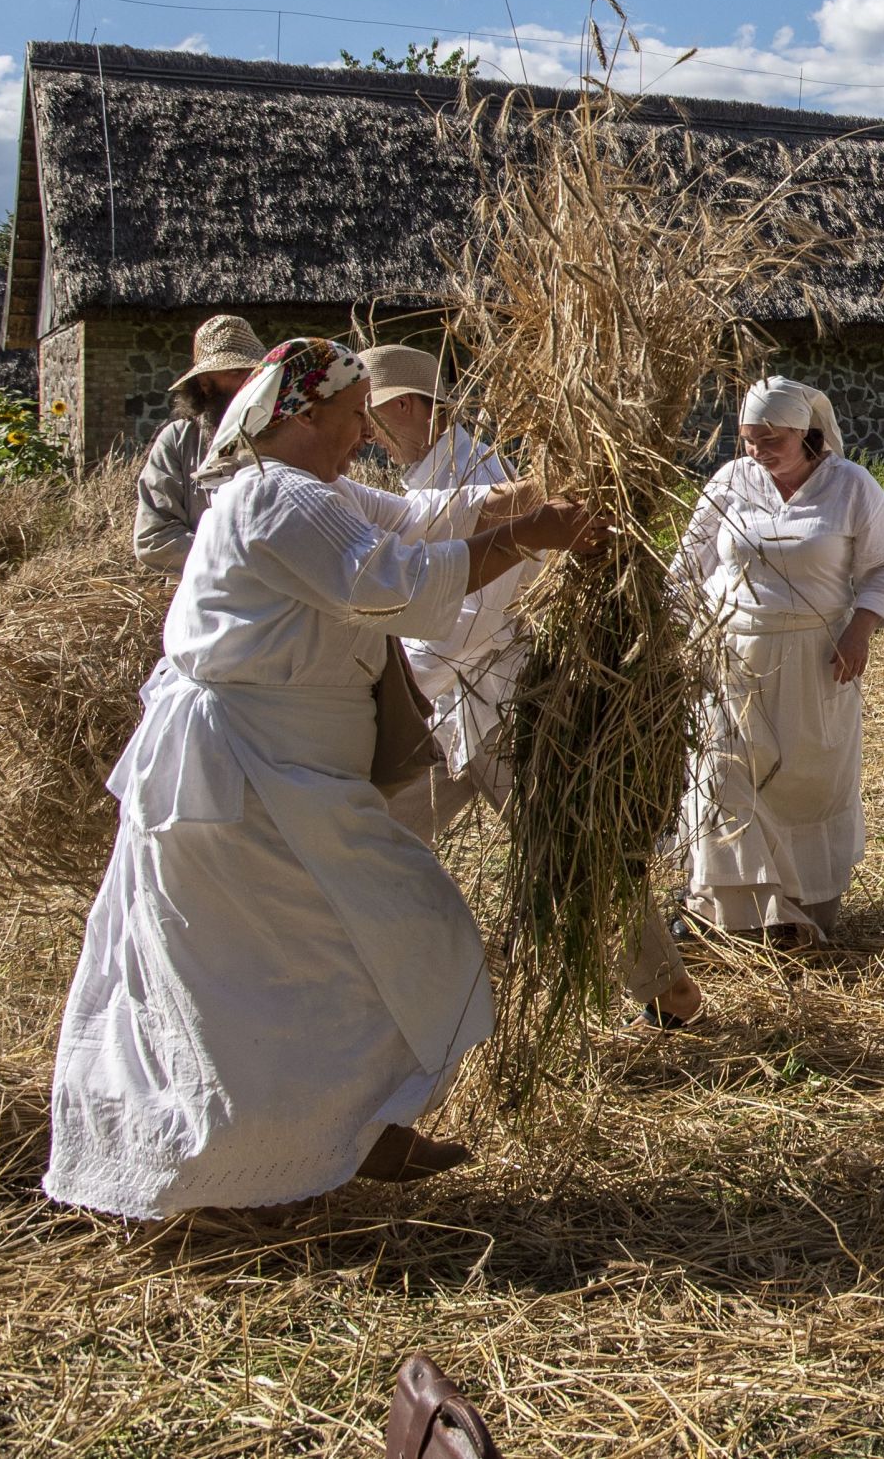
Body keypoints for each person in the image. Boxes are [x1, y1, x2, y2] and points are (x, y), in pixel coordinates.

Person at [44, 339, 604, 1217]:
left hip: (294, 779)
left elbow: (419, 518)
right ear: (300, 417)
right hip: (241, 783)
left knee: (343, 951)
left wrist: (532, 494)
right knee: (265, 973)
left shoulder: (321, 492)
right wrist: (525, 537)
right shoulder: (273, 496)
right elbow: (391, 581)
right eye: (350, 420)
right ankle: (249, 1158)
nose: (363, 437)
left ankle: (354, 1132)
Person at [358, 345, 702, 1027]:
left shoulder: (476, 470)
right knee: (372, 837)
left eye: (372, 415)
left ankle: (671, 992)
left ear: (404, 405)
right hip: (445, 709)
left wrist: (393, 673)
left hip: (496, 706)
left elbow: (475, 615)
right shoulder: (429, 478)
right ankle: (390, 993)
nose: (368, 432)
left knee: (575, 855)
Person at [675, 377, 884, 947]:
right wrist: (669, 635)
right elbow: (687, 566)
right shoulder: (730, 482)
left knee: (807, 783)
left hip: (817, 658)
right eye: (749, 438)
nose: (757, 450)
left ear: (806, 432)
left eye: (771, 438)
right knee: (720, 778)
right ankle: (732, 913)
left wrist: (860, 629)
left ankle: (800, 911)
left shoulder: (850, 486)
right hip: (731, 658)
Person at [131, 314, 266, 572]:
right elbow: (154, 539)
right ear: (205, 383)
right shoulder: (178, 441)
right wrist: (243, 560)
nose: (249, 382)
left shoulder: (283, 432)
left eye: (255, 372)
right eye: (236, 372)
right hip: (204, 596)